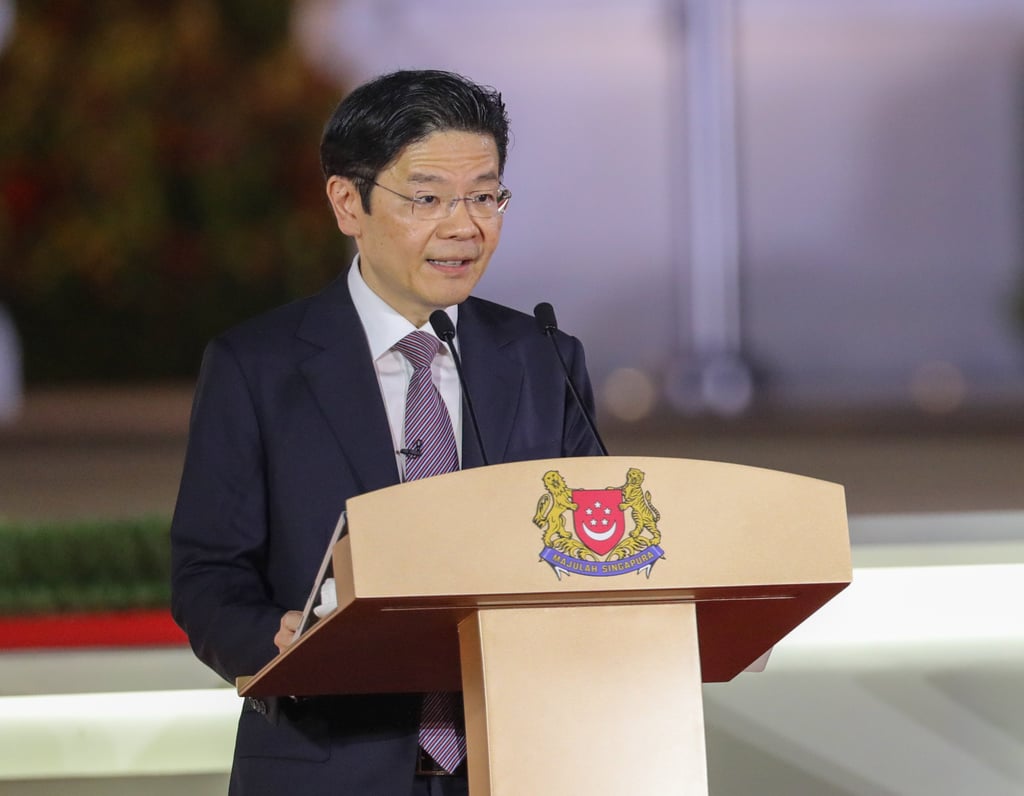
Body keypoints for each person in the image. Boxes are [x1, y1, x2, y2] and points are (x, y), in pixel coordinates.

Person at [170, 69, 603, 796]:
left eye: (484, 196)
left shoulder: (544, 359)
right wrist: (277, 642)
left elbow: (597, 556)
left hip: (522, 762)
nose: (464, 227)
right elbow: (207, 575)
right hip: (329, 764)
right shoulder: (258, 367)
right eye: (427, 199)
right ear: (349, 202)